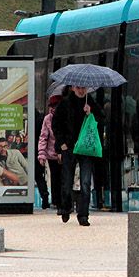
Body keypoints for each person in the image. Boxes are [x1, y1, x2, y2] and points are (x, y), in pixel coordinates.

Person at [51, 85, 104, 225]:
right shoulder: (65, 103)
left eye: (84, 88)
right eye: (79, 88)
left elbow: (101, 119)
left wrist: (90, 113)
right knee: (67, 181)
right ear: (73, 88)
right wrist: (61, 142)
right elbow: (56, 123)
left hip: (85, 148)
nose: (81, 90)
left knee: (85, 182)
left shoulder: (90, 102)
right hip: (69, 147)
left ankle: (83, 215)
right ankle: (66, 207)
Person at [37, 95, 64, 210]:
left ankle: (64, 200)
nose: (53, 108)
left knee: (64, 177)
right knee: (55, 177)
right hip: (52, 154)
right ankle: (56, 201)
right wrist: (42, 154)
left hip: (64, 152)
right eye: (52, 106)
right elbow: (43, 137)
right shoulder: (48, 119)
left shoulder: (65, 116)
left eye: (55, 106)